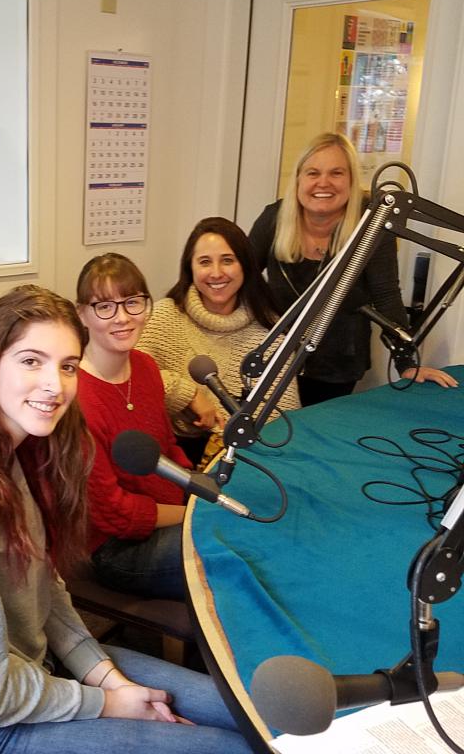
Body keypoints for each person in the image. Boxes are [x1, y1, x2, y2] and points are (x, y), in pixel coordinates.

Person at [0, 284, 252, 754]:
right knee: (231, 748)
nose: (55, 385)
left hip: (33, 673)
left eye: (68, 366)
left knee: (251, 717)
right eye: (31, 361)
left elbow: (47, 597)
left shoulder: (17, 456)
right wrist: (107, 703)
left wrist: (110, 681)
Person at [248, 131, 457, 406]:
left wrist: (406, 361)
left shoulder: (371, 228)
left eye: (336, 173)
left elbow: (386, 296)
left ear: (351, 181)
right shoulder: (273, 219)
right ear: (298, 179)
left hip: (338, 364)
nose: (323, 183)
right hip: (277, 356)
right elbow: (244, 278)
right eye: (313, 173)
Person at [138, 217, 300, 465]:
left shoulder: (270, 330)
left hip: (252, 459)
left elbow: (285, 415)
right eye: (204, 262)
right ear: (189, 268)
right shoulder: (164, 317)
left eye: (227, 261)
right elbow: (131, 379)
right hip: (173, 456)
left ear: (245, 265)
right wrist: (187, 394)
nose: (216, 273)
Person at [75, 253, 191, 600]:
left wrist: (199, 490)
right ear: (82, 313)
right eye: (105, 306)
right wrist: (191, 516)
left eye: (132, 302)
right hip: (115, 549)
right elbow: (113, 514)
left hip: (168, 515)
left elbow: (167, 447)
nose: (123, 317)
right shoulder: (79, 399)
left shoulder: (145, 366)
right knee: (223, 555)